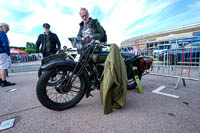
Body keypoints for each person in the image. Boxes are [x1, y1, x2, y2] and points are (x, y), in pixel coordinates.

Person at [0, 23, 15, 87]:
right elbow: (5, 44)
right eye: (7, 28)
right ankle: (4, 81)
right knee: (3, 67)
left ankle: (1, 80)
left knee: (1, 67)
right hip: (2, 52)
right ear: (2, 27)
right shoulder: (2, 33)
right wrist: (8, 52)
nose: (8, 30)